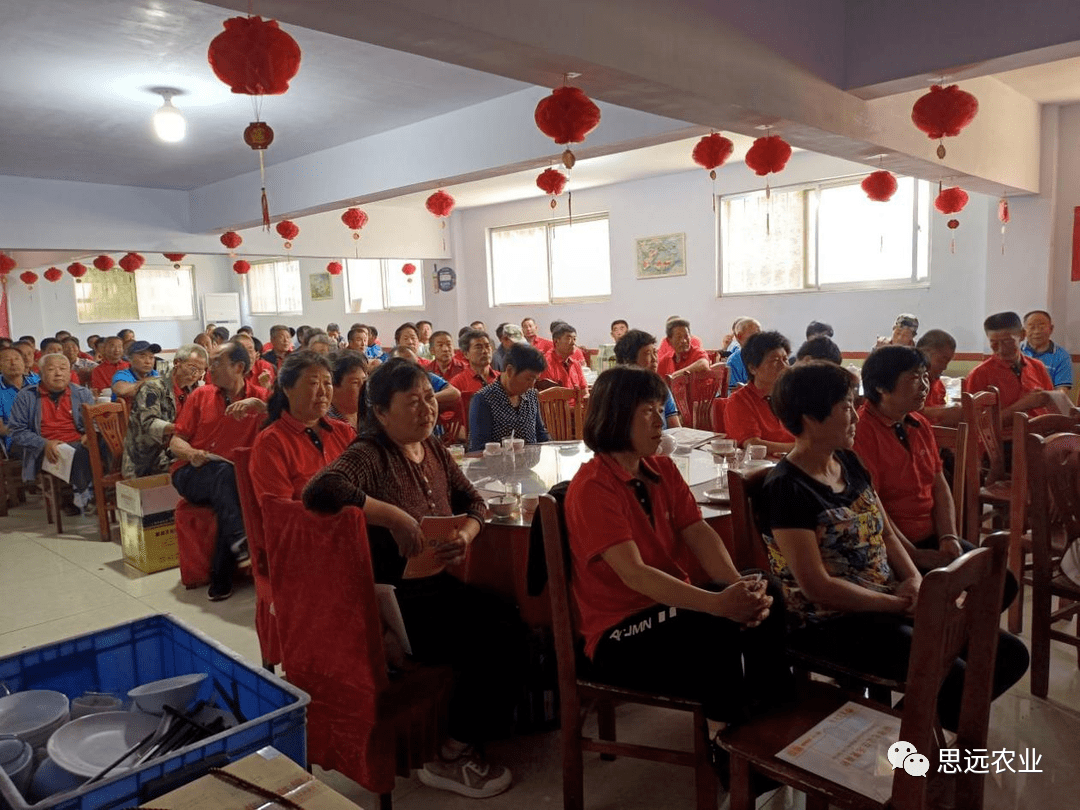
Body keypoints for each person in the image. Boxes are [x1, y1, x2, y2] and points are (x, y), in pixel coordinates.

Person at [761, 360, 1028, 731]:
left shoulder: (848, 461)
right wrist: (899, 604)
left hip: (886, 598)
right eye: (845, 407)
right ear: (810, 418)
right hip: (831, 620)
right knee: (953, 669)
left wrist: (915, 581)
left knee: (1009, 655)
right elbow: (816, 587)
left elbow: (885, 532)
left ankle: (907, 724)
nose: (856, 415)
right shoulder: (786, 489)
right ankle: (910, 740)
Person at [304, 358, 519, 799]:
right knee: (490, 639)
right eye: (412, 402)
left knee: (509, 617)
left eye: (428, 398)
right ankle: (447, 755)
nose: (426, 409)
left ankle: (470, 731)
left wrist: (466, 532)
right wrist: (394, 517)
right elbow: (320, 491)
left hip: (436, 584)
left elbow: (473, 500)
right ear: (381, 412)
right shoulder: (370, 453)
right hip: (398, 601)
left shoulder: (434, 447)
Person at [565, 365, 790, 741]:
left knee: (765, 585)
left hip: (668, 610)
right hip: (618, 632)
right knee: (712, 622)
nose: (659, 421)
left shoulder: (662, 468)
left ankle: (771, 714)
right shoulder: (593, 486)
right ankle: (725, 739)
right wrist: (717, 604)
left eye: (659, 408)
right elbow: (635, 574)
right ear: (617, 415)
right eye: (647, 411)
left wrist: (738, 587)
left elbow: (699, 534)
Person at [169, 342, 270, 602]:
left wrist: (262, 408)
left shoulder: (260, 398)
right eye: (210, 363)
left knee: (229, 480)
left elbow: (284, 428)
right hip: (193, 472)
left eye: (216, 363)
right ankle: (239, 541)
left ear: (239, 367)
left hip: (236, 477)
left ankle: (222, 573)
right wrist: (191, 454)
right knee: (225, 477)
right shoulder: (201, 396)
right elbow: (175, 442)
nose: (209, 369)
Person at [250, 351, 354, 503]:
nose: (323, 392)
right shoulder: (271, 441)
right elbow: (279, 511)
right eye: (314, 383)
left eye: (327, 383)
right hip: (308, 525)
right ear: (287, 389)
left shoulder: (344, 431)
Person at [9, 354, 96, 515]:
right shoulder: (26, 396)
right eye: (51, 369)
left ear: (70, 373)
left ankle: (105, 491)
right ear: (40, 374)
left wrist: (89, 434)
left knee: (106, 445)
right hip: (45, 447)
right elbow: (17, 431)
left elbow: (94, 423)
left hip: (79, 442)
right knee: (77, 452)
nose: (58, 373)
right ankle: (87, 495)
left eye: (63, 369)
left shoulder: (82, 393)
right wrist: (44, 443)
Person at [121, 343, 208, 479]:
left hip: (176, 452)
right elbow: (149, 424)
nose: (195, 374)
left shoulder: (193, 392)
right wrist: (181, 428)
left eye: (201, 371)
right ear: (177, 363)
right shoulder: (152, 388)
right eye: (192, 368)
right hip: (149, 459)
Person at [966, 311, 1055, 431]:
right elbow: (976, 424)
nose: (1002, 350)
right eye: (994, 343)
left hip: (1041, 434)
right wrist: (1023, 405)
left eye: (1008, 342)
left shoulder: (1037, 367)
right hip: (1004, 441)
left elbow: (1051, 406)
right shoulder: (979, 374)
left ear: (1023, 335)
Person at [468, 342, 550, 452]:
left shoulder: (531, 396)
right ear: (510, 371)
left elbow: (540, 434)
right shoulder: (483, 399)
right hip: (498, 466)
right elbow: (479, 448)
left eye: (535, 379)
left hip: (530, 465)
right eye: (529, 379)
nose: (532, 385)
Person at [724, 331, 796, 454]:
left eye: (785, 359)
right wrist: (801, 449)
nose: (784, 366)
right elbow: (752, 444)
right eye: (775, 360)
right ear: (753, 368)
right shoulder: (740, 401)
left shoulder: (793, 396)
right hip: (766, 469)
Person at [615, 329, 682, 428]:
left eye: (655, 352)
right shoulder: (619, 391)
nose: (655, 359)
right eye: (647, 353)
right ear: (629, 360)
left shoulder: (660, 387)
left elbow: (676, 428)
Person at [915, 329, 962, 427]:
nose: (945, 367)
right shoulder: (910, 382)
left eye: (947, 362)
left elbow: (939, 423)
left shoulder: (938, 384)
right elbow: (904, 413)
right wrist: (942, 412)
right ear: (925, 354)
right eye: (942, 360)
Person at [1021, 309, 1072, 392]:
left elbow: (1062, 390)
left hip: (1048, 401)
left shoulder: (1061, 355)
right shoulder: (1016, 352)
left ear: (1051, 329)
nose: (1037, 332)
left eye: (1041, 327)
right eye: (1032, 327)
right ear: (1024, 331)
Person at [0, 345, 35, 451]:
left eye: (17, 358)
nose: (13, 363)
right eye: (7, 360)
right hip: (16, 440)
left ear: (23, 363)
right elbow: (1, 428)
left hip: (46, 434)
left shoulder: (37, 382)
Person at [538, 322, 587, 392]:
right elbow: (545, 396)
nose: (573, 343)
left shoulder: (576, 365)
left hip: (577, 402)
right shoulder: (545, 364)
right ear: (556, 341)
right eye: (569, 338)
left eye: (574, 339)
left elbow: (584, 391)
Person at [449, 329, 499, 395]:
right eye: (478, 347)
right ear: (466, 354)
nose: (485, 351)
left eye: (487, 346)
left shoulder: (501, 378)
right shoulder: (457, 383)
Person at [725, 317, 761, 387]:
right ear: (739, 336)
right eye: (753, 334)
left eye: (759, 333)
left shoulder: (768, 355)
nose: (758, 337)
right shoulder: (733, 361)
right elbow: (732, 391)